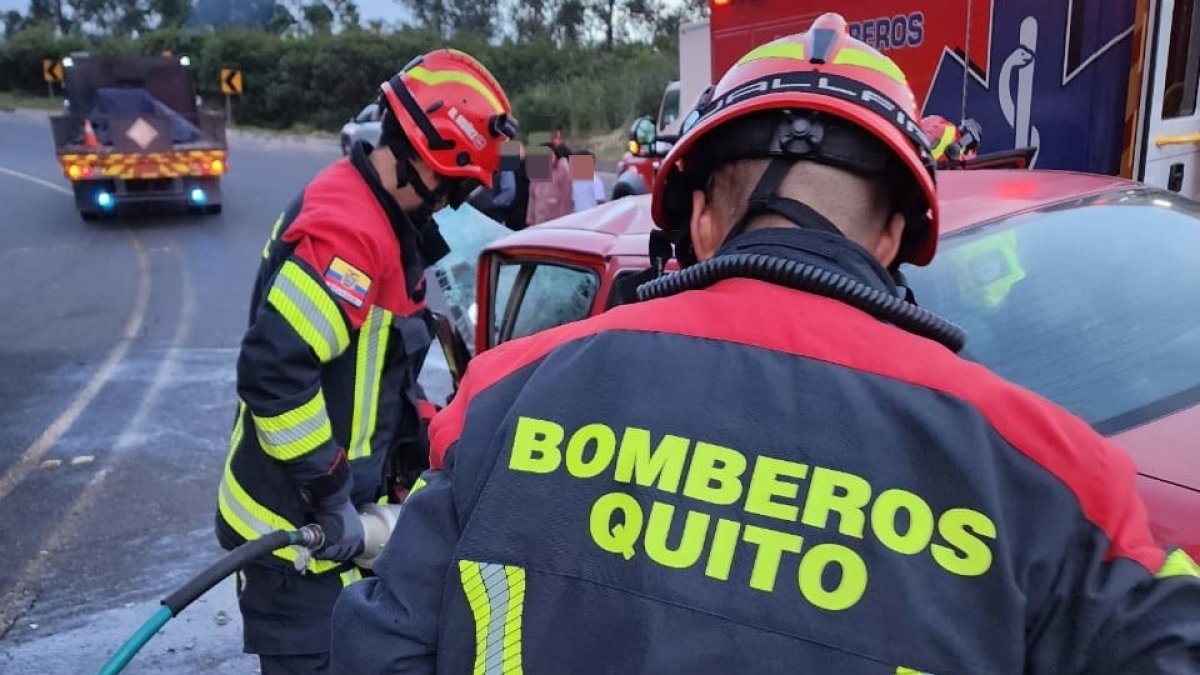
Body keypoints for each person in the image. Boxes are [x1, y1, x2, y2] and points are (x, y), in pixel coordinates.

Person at [330, 16, 1200, 675]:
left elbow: (382, 645)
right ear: (894, 234)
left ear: (702, 217)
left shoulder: (506, 395)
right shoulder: (1059, 483)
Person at [215, 48, 515, 674]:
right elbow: (274, 372)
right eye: (456, 185)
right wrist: (329, 492)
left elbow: (379, 371)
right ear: (428, 162)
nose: (452, 203)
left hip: (334, 526)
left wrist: (426, 443)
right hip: (290, 535)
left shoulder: (386, 221)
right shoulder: (348, 231)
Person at [526, 141, 574, 225]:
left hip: (556, 219)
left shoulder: (562, 168)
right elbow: (532, 198)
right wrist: (530, 219)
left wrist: (565, 220)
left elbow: (567, 196)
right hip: (539, 219)